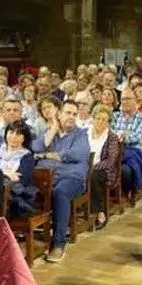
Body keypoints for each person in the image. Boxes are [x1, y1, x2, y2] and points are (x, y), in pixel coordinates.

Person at [33, 100, 91, 263]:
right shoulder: (50, 132)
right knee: (24, 187)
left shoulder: (81, 134)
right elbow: (36, 147)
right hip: (48, 177)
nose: (71, 117)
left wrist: (47, 155)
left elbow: (77, 155)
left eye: (74, 114)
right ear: (59, 114)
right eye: (68, 113)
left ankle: (58, 244)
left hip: (72, 179)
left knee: (60, 192)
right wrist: (52, 130)